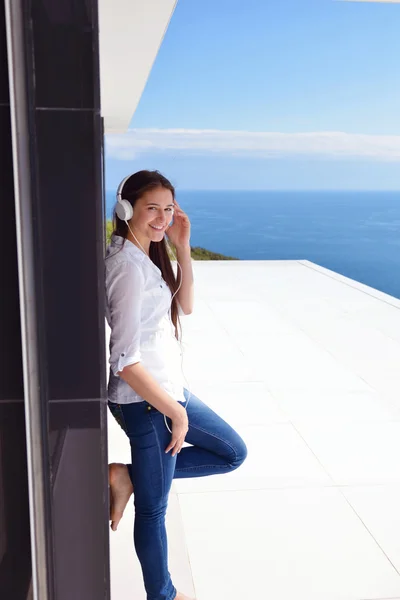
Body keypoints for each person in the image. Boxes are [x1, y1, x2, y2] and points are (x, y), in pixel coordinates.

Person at [105, 170, 247, 600]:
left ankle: (126, 477)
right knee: (154, 509)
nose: (163, 217)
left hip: (169, 391)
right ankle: (162, 595)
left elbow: (184, 305)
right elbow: (125, 361)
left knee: (231, 451)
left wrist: (181, 245)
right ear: (126, 209)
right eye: (152, 208)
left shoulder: (148, 255)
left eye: (169, 208)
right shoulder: (126, 267)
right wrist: (176, 412)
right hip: (147, 402)